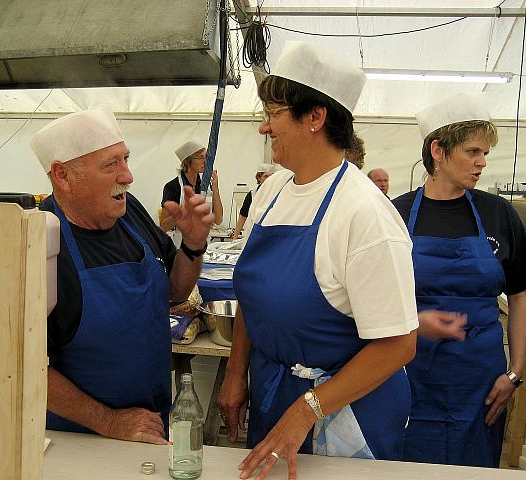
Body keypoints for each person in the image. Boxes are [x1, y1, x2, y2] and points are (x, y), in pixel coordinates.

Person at [218, 41, 418, 480]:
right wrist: (236, 372)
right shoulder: (272, 191)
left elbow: (399, 345)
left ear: (315, 118)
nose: (263, 129)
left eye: (273, 115)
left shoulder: (365, 215)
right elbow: (254, 299)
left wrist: (307, 409)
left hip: (344, 412)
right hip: (275, 391)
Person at [30, 106, 213, 444]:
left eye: (125, 159)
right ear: (62, 176)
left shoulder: (131, 214)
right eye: (111, 165)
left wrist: (192, 246)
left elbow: (175, 291)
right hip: (78, 441)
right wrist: (110, 422)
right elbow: (24, 368)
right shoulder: (39, 244)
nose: (128, 176)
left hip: (149, 425)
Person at [392, 93, 526, 468]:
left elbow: (521, 296)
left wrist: (514, 373)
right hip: (407, 373)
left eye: (485, 154)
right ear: (439, 151)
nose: (482, 163)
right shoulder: (395, 214)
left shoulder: (498, 214)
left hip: (479, 381)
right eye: (472, 151)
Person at [161, 141, 224, 246]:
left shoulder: (206, 186)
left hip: (204, 247)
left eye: (206, 157)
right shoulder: (173, 187)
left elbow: (218, 220)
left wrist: (216, 190)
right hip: (182, 248)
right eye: (200, 157)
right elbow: (164, 226)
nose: (205, 161)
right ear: (188, 161)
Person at [231, 163, 274, 239]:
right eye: (266, 176)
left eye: (271, 177)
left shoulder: (277, 195)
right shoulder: (252, 195)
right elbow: (242, 216)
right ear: (259, 178)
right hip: (253, 235)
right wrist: (235, 237)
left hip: (271, 235)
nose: (269, 179)